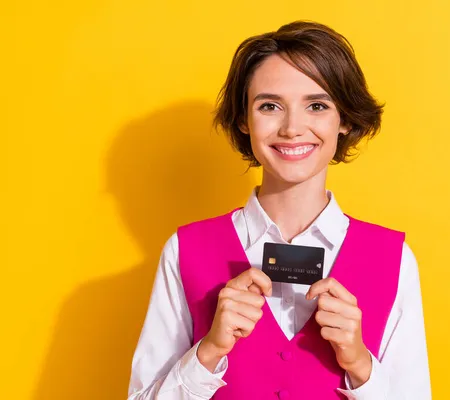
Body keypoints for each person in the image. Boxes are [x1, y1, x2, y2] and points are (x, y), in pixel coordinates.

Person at [128, 20, 431, 399]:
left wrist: (360, 365)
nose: (292, 128)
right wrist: (208, 353)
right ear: (243, 119)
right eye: (270, 106)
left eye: (317, 105)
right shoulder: (185, 249)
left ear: (345, 120)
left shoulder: (393, 259)